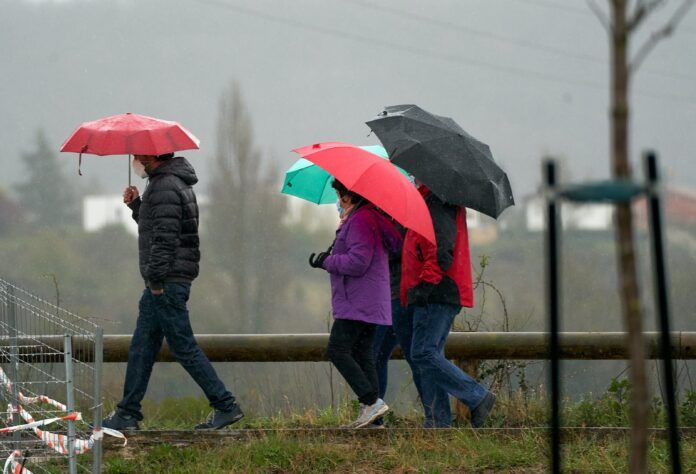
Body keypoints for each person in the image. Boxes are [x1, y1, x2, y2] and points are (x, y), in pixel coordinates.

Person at [102, 153, 243, 431]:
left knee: (183, 346)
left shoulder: (164, 185)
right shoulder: (170, 183)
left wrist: (155, 281)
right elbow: (158, 226)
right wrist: (137, 205)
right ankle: (127, 412)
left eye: (138, 156)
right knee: (142, 347)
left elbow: (165, 239)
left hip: (164, 282)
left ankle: (226, 405)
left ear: (152, 157)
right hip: (167, 280)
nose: (135, 161)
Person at [401, 182, 496, 428]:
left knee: (424, 353)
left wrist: (425, 285)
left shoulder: (437, 201)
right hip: (437, 290)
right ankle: (438, 422)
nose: (412, 177)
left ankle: (477, 397)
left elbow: (442, 251)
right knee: (428, 355)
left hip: (437, 291)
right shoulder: (433, 199)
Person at [309, 179, 402, 428]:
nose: (338, 200)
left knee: (337, 350)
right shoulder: (366, 218)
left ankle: (371, 402)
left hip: (358, 301)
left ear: (348, 196)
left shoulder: (361, 220)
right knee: (363, 354)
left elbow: (358, 262)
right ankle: (373, 417)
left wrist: (328, 262)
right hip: (369, 301)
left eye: (339, 195)